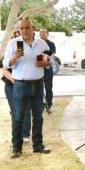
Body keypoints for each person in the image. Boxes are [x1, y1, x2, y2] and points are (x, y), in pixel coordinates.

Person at [3, 17, 52, 158]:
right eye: (21, 28)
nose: (24, 30)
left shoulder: (41, 43)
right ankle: (16, 148)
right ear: (19, 29)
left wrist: (46, 62)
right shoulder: (13, 43)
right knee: (18, 117)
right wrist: (14, 58)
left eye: (27, 27)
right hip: (20, 85)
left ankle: (38, 145)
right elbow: (6, 64)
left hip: (37, 84)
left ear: (33, 28)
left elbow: (49, 61)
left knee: (38, 117)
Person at [38, 28, 57, 114]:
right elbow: (37, 54)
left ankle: (49, 105)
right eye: (41, 32)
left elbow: (49, 54)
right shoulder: (36, 43)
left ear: (47, 34)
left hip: (47, 69)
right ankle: (40, 106)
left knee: (48, 88)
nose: (42, 33)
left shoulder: (51, 44)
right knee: (38, 88)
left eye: (44, 32)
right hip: (38, 69)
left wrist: (41, 56)